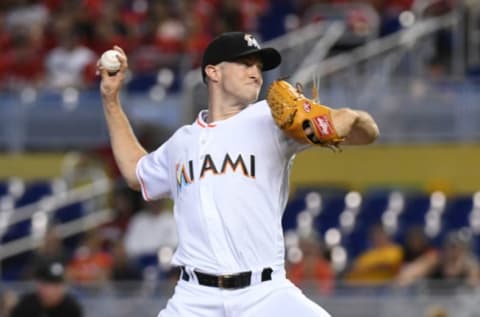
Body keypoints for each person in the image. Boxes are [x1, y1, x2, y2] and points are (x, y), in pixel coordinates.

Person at [98, 32, 379, 317]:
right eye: (245, 63)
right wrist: (111, 100)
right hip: (194, 298)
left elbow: (363, 131)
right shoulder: (181, 142)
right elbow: (136, 173)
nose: (256, 72)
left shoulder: (271, 119)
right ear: (213, 72)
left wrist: (343, 121)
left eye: (259, 66)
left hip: (264, 294)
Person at [9, 260, 83, 317]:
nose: (54, 290)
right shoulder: (25, 306)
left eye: (58, 285)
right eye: (49, 284)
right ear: (39, 284)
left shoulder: (71, 308)